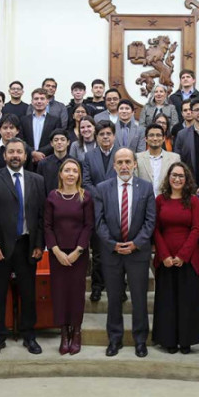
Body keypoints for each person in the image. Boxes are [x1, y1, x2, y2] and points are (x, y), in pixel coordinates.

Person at [0, 138, 46, 356]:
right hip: (1, 248)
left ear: (26, 156)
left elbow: (41, 215)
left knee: (28, 294)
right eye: (11, 152)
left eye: (19, 152)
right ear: (4, 156)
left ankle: (29, 335)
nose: (15, 155)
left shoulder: (37, 180)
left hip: (28, 245)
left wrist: (39, 244)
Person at [94, 148, 156, 358]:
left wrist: (136, 243)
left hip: (137, 253)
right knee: (113, 298)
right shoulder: (102, 188)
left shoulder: (146, 188)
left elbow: (150, 221)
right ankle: (114, 339)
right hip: (112, 253)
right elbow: (99, 221)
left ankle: (140, 340)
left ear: (135, 164)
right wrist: (112, 244)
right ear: (114, 166)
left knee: (139, 298)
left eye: (128, 162)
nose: (124, 166)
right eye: (119, 162)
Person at [152, 162, 199, 354]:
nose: (177, 179)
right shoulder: (160, 200)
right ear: (168, 177)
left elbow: (196, 229)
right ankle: (169, 340)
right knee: (167, 301)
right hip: (165, 258)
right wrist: (164, 255)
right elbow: (156, 229)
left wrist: (183, 255)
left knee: (187, 301)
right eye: (174, 175)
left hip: (188, 258)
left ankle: (185, 341)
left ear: (187, 179)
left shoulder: (193, 201)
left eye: (181, 176)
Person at [44, 158, 94, 355]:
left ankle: (77, 331)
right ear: (61, 174)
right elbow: (47, 225)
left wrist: (77, 251)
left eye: (75, 170)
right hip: (57, 254)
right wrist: (55, 250)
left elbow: (89, 225)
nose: (71, 174)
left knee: (76, 293)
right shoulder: (52, 196)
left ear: (79, 175)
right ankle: (64, 333)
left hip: (78, 254)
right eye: (67, 170)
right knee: (59, 293)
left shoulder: (85, 197)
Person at [81, 120, 120, 302]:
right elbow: (86, 182)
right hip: (96, 209)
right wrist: (101, 195)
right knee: (97, 251)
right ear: (96, 137)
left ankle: (119, 286)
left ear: (114, 135)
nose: (105, 137)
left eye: (108, 134)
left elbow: (125, 177)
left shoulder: (122, 155)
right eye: (101, 134)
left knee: (117, 250)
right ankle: (97, 285)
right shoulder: (89, 157)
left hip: (118, 208)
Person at [135, 124, 179, 196]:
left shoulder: (174, 158)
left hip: (166, 200)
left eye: (158, 135)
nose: (155, 138)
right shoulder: (137, 158)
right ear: (145, 139)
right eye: (151, 135)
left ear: (163, 138)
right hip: (143, 202)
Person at [21, 88, 62, 164]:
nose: (39, 101)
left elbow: (55, 140)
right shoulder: (24, 120)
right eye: (36, 99)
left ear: (47, 101)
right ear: (32, 102)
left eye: (42, 99)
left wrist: (39, 153)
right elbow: (21, 140)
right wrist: (32, 153)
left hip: (47, 160)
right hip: (27, 160)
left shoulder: (55, 120)